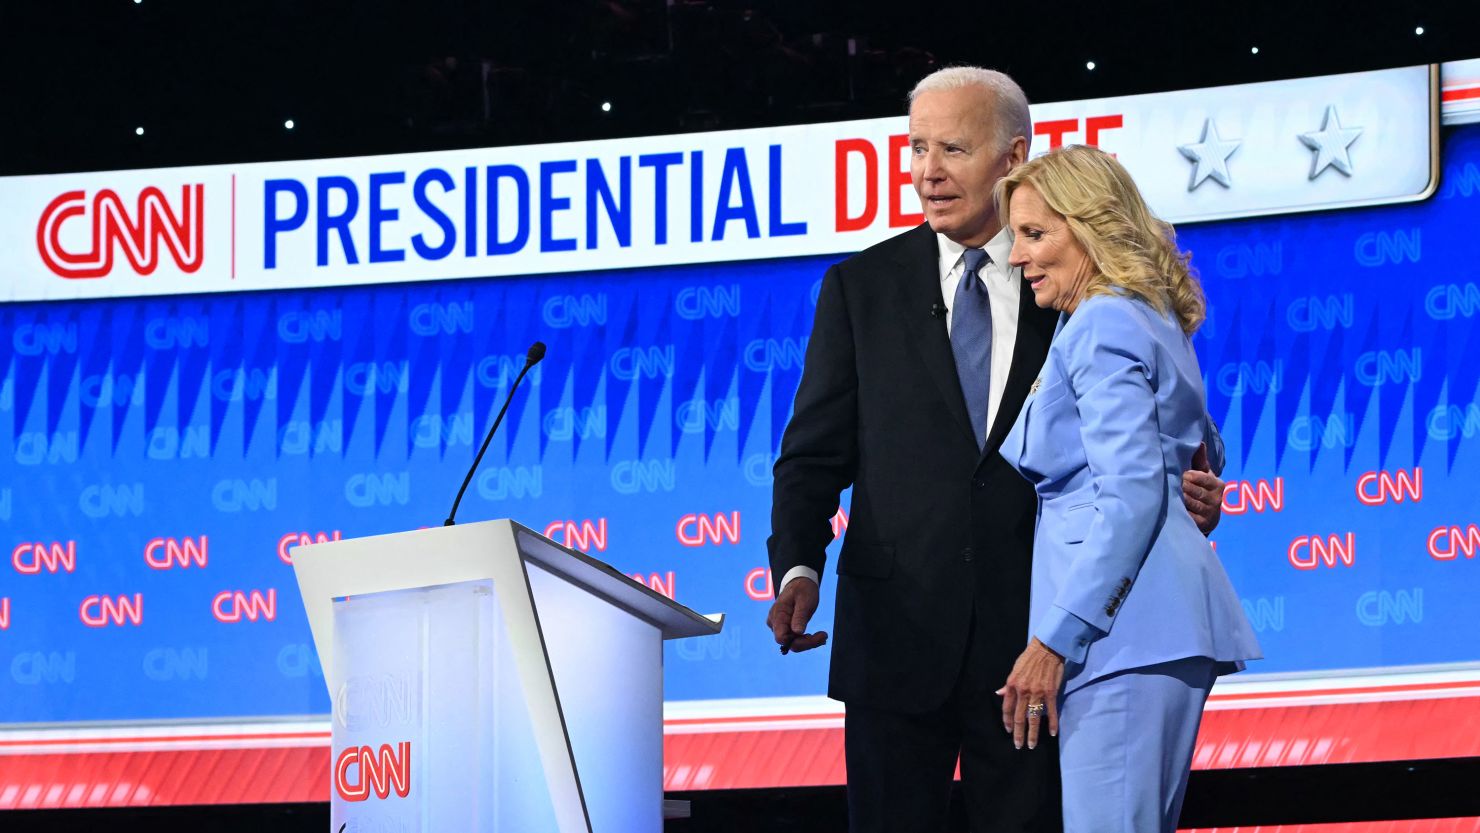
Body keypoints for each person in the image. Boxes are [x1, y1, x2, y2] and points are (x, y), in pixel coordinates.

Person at [765, 67, 1228, 833]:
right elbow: (812, 455)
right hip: (895, 641)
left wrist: (1194, 484)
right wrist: (798, 566)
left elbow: (1162, 432)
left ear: (1013, 157)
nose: (926, 171)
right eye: (916, 148)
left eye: (952, 147)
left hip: (1036, 644)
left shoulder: (1074, 284)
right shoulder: (860, 287)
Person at [994, 144, 1262, 833]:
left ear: (1089, 225)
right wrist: (1195, 486)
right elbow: (1189, 453)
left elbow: (1135, 491)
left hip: (1123, 634)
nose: (1018, 256)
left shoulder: (1102, 322)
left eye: (1035, 233)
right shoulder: (1146, 313)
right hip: (1150, 627)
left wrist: (1054, 638)